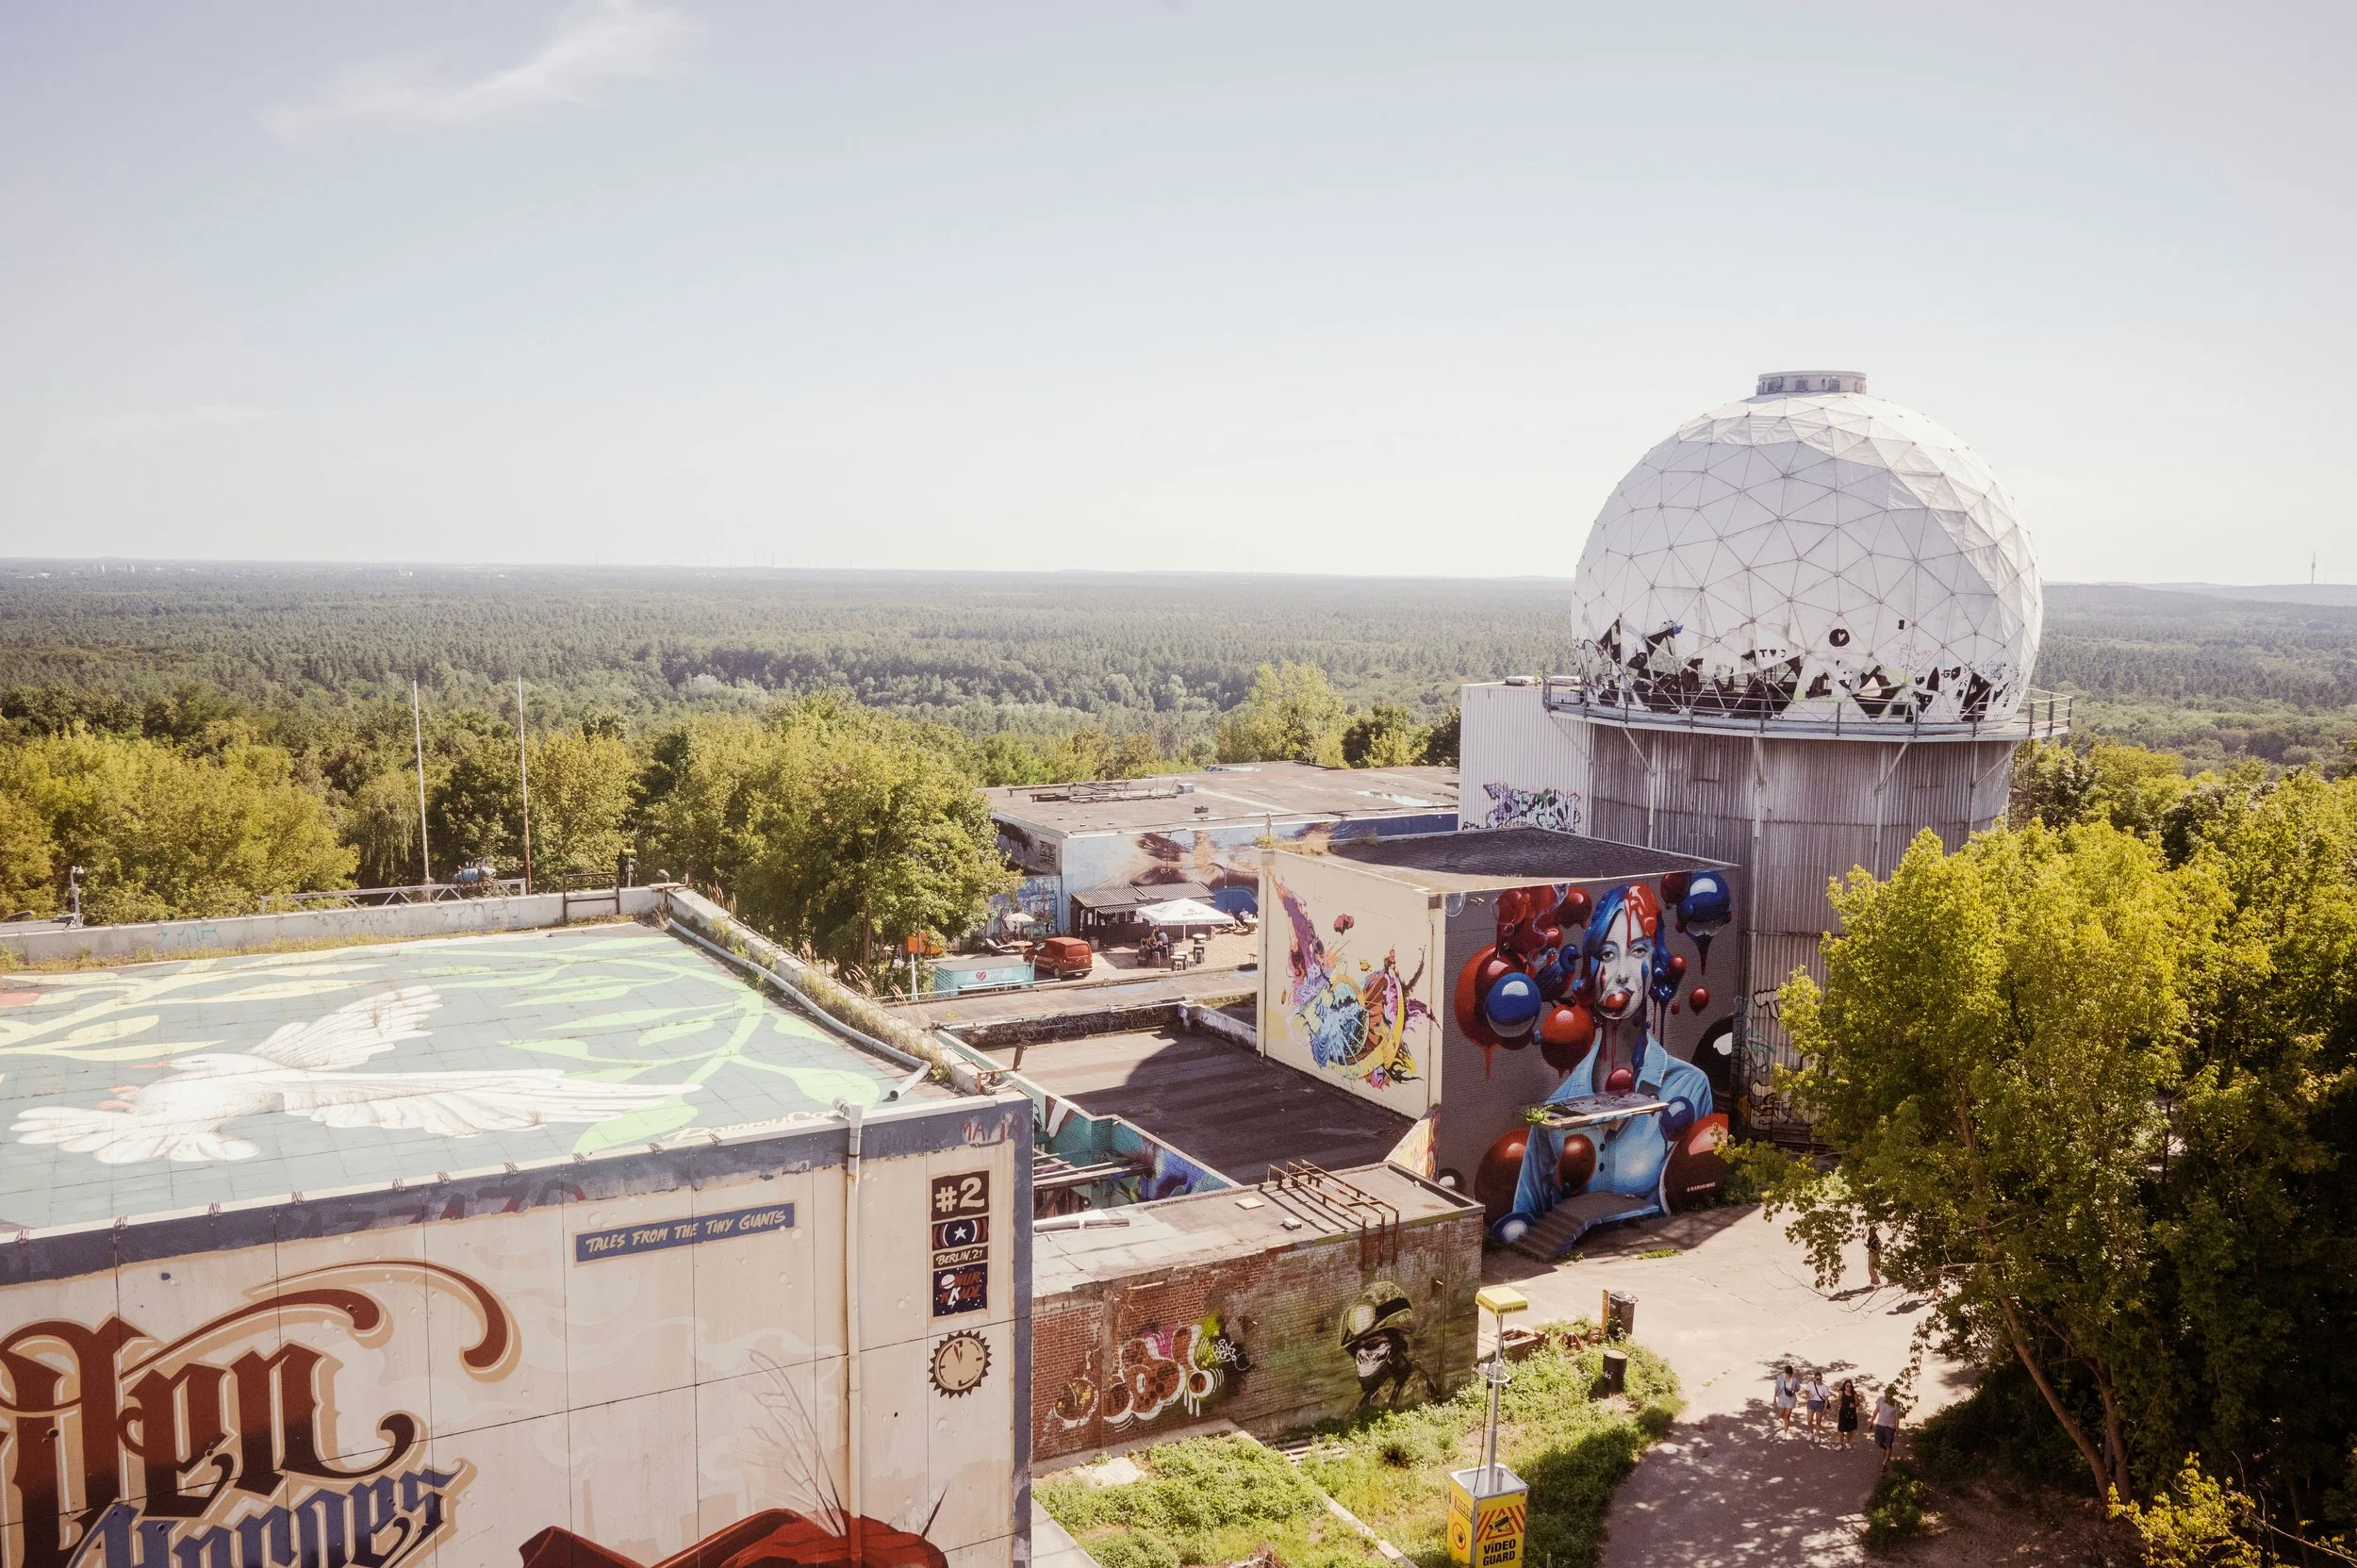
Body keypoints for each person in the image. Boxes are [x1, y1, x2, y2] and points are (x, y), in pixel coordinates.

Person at [1873, 1387, 1902, 1467]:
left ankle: (1884, 1463)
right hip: (1880, 1424)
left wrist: (1897, 1429)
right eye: (1887, 1392)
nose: (1888, 1395)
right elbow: (1876, 1410)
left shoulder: (1896, 1403)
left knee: (1889, 1444)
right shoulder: (1880, 1399)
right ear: (1885, 1392)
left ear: (1893, 1394)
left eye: (1891, 1393)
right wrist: (1871, 1421)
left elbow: (1897, 1417)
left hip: (1890, 1426)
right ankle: (1887, 1450)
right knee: (1878, 1442)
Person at [1772, 1363, 1800, 1430]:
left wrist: (1795, 1390)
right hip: (1782, 1399)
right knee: (1781, 1415)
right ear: (1785, 1372)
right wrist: (1774, 1397)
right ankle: (1784, 1420)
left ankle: (1785, 1432)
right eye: (1788, 1374)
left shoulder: (1794, 1380)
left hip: (1791, 1399)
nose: (1789, 1376)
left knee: (1787, 1416)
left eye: (1790, 1374)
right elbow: (1777, 1387)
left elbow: (1798, 1388)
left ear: (1792, 1373)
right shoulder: (1780, 1378)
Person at [1805, 1369, 1831, 1438]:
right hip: (1811, 1402)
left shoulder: (1825, 1387)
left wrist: (1825, 1408)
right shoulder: (1810, 1384)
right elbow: (1806, 1391)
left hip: (1820, 1404)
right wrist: (1808, 1395)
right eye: (1817, 1379)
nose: (1819, 1381)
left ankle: (1817, 1435)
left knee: (1818, 1421)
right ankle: (1811, 1432)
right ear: (1814, 1379)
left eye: (1820, 1379)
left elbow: (1826, 1399)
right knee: (1809, 1419)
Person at [1836, 1379, 1860, 1450]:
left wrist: (1854, 1404)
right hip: (1843, 1413)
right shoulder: (1841, 1392)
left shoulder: (1854, 1394)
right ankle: (1840, 1444)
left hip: (1851, 1414)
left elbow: (1858, 1403)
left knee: (1850, 1430)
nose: (1849, 1388)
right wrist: (1836, 1409)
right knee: (1841, 1429)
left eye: (1850, 1386)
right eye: (1847, 1386)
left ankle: (1847, 1442)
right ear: (1844, 1386)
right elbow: (1839, 1401)